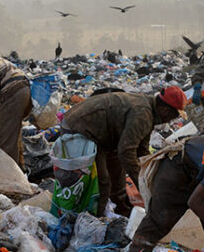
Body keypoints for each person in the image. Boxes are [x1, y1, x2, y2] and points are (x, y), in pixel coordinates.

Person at [61, 87, 185, 216]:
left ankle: (123, 213)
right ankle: (97, 220)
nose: (171, 121)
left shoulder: (149, 109)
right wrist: (142, 184)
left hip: (101, 135)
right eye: (173, 116)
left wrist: (150, 174)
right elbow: (127, 152)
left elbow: (141, 149)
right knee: (103, 181)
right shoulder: (143, 115)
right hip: (79, 129)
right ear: (165, 110)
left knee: (117, 176)